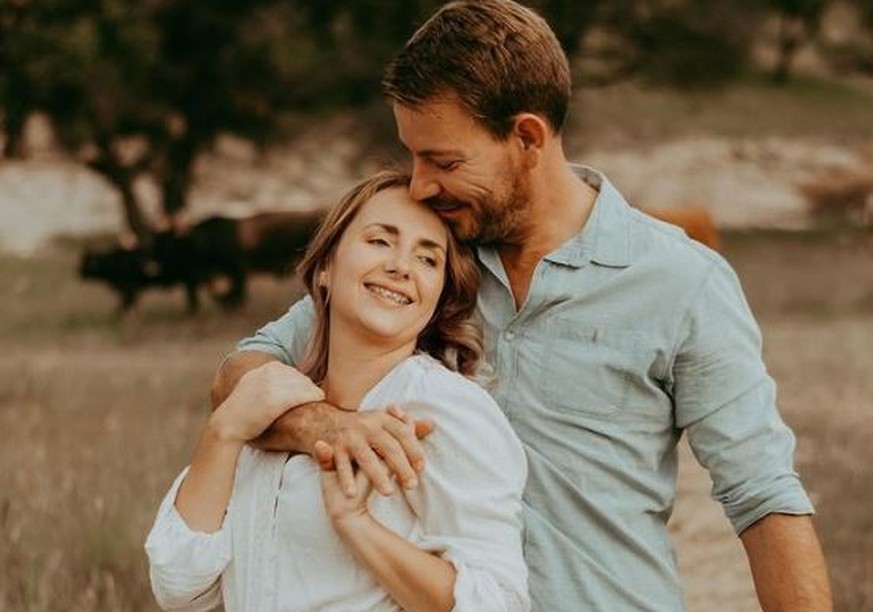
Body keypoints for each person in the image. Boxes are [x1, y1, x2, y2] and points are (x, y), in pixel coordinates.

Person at [212, 1, 833, 609]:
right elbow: (241, 376)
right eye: (412, 155)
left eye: (444, 160)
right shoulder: (422, 265)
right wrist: (330, 427)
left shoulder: (683, 282)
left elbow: (764, 497)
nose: (421, 184)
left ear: (527, 138)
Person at [145, 170, 529, 611]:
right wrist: (225, 432)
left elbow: (497, 602)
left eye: (427, 259)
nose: (401, 266)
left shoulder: (446, 412)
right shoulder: (274, 404)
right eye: (380, 241)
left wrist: (357, 525)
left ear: (440, 294)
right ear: (326, 266)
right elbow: (180, 590)